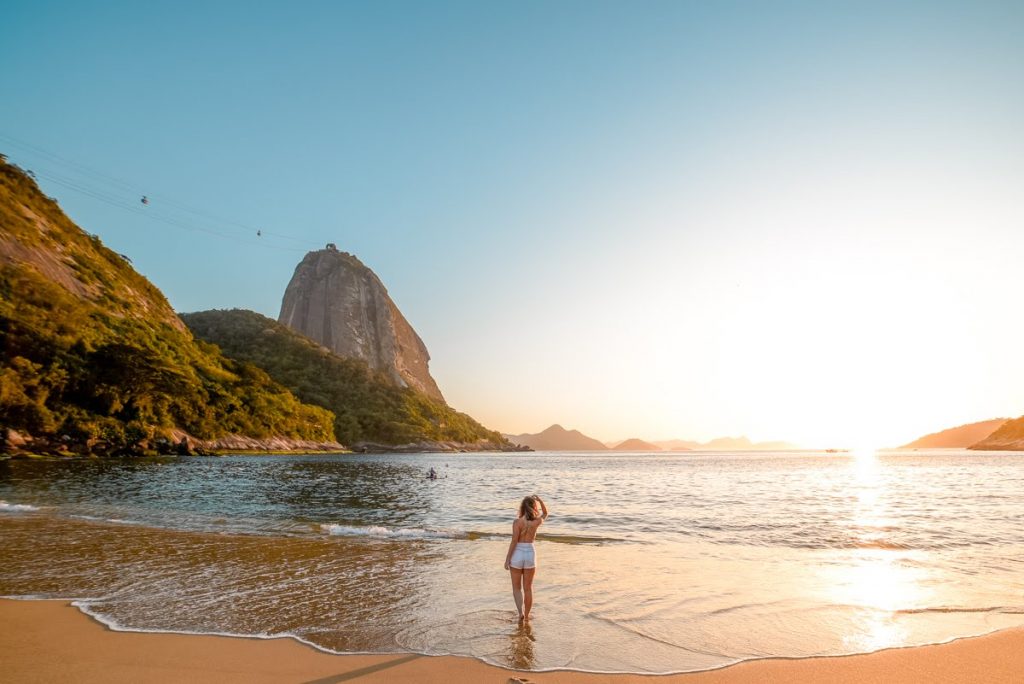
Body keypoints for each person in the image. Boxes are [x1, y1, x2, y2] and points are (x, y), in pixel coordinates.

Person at [503, 494, 548, 621]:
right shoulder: (537, 521)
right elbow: (545, 513)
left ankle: (520, 613)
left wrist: (507, 559)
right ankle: (527, 616)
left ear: (522, 507)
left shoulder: (517, 522)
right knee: (528, 588)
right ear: (534, 507)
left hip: (517, 553)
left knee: (516, 588)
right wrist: (540, 500)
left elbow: (514, 541)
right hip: (530, 553)